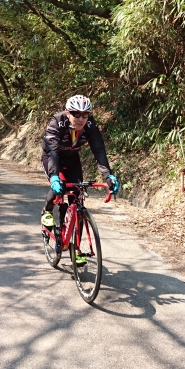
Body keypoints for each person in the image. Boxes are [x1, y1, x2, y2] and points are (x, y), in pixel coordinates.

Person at [40, 95, 120, 261]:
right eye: (76, 114)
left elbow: (99, 149)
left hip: (72, 158)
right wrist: (54, 175)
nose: (81, 118)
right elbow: (52, 151)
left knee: (77, 199)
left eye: (85, 114)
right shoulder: (57, 122)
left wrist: (108, 175)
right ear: (68, 113)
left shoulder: (89, 125)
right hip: (52, 156)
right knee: (59, 187)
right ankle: (46, 211)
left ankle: (75, 248)